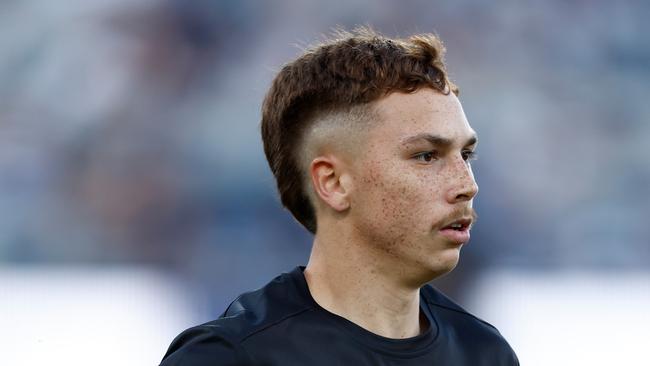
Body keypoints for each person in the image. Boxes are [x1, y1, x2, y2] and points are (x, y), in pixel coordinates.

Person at [160, 27, 519, 365]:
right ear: (333, 183)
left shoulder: (484, 353)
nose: (467, 184)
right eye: (426, 155)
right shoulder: (231, 356)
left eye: (466, 155)